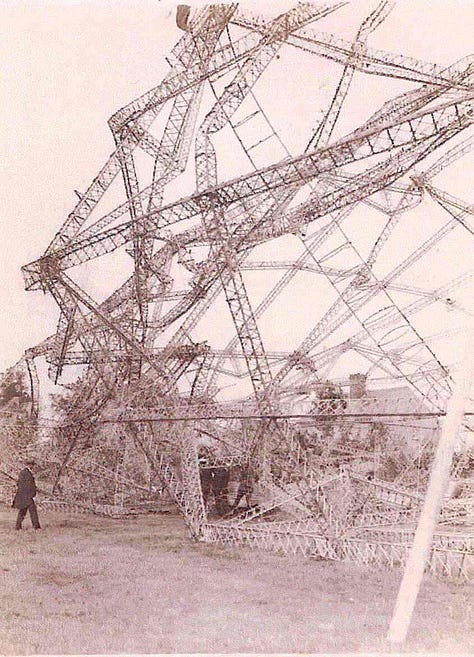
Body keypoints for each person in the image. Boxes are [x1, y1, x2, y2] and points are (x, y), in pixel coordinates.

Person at [12, 460, 41, 530]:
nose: (33, 467)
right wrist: (32, 495)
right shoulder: (27, 473)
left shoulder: (24, 472)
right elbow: (28, 486)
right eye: (32, 465)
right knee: (32, 511)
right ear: (29, 465)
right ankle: (36, 527)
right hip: (27, 496)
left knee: (23, 511)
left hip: (24, 496)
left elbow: (19, 484)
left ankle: (18, 527)